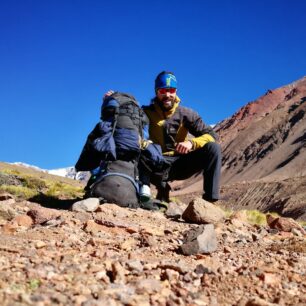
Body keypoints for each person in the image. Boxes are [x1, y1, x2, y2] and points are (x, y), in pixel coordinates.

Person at [140, 71, 222, 203]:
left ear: (176, 91)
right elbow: (127, 112)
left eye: (171, 90)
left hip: (180, 164)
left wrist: (192, 143)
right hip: (156, 164)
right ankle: (144, 194)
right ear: (156, 92)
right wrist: (112, 100)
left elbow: (212, 136)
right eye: (163, 91)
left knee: (213, 149)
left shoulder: (187, 114)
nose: (167, 95)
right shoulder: (146, 112)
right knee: (135, 149)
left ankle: (209, 202)